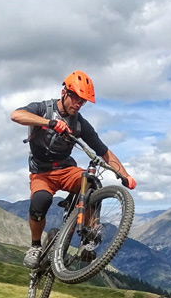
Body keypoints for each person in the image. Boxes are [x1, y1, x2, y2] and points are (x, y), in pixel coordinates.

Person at [11, 70, 137, 268]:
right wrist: (50, 123)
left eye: (82, 102)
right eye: (76, 99)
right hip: (41, 173)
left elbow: (103, 150)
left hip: (66, 169)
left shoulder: (80, 123)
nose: (78, 105)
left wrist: (125, 175)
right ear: (65, 93)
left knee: (92, 183)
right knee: (40, 201)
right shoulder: (43, 108)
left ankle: (88, 238)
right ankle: (35, 246)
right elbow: (17, 115)